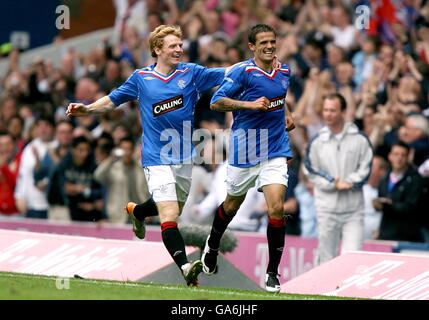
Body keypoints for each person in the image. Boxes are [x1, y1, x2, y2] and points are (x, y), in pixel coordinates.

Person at [66, 25, 229, 287]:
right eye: (173, 45)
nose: (179, 49)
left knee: (170, 205)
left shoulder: (192, 73)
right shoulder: (141, 78)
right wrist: (87, 109)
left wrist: (254, 65)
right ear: (157, 50)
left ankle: (138, 212)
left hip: (185, 156)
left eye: (180, 45)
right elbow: (112, 100)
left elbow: (226, 73)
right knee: (169, 214)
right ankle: (186, 267)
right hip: (156, 156)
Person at [200, 24, 295, 293]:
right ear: (252, 46)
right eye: (263, 42)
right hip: (245, 150)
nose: (269, 46)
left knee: (276, 208)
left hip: (275, 148)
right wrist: (249, 105)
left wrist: (286, 113)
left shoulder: (285, 70)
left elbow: (280, 95)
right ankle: (213, 243)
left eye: (272, 41)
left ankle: (272, 273)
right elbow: (216, 102)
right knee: (231, 206)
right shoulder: (242, 71)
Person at [304, 93, 373, 265]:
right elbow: (310, 169)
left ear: (343, 112)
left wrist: (350, 181)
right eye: (326, 110)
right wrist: (333, 182)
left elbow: (366, 167)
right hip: (326, 208)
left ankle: (347, 292)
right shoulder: (318, 141)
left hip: (353, 210)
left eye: (333, 110)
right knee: (326, 258)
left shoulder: (360, 139)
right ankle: (323, 291)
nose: (328, 114)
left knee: (353, 257)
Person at [375, 142, 425, 242]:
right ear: (390, 156)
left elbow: (412, 207)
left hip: (407, 235)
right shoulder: (384, 178)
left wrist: (390, 205)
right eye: (396, 154)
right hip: (386, 233)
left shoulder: (415, 179)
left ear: (408, 158)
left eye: (403, 155)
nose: (399, 158)